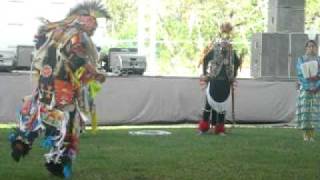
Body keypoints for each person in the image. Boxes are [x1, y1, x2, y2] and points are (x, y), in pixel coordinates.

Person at [8, 1, 110, 177]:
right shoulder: (76, 35)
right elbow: (77, 59)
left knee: (40, 111)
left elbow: (41, 43)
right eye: (93, 22)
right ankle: (56, 161)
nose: (95, 26)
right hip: (61, 87)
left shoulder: (59, 31)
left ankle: (23, 140)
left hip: (46, 83)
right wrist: (96, 73)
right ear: (84, 19)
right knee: (68, 123)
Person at [197, 22, 241, 135]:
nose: (225, 43)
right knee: (208, 105)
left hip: (226, 83)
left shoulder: (232, 53)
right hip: (214, 81)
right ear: (220, 41)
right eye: (223, 41)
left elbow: (237, 63)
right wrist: (205, 74)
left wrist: (233, 76)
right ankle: (203, 128)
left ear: (229, 42)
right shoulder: (214, 50)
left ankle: (220, 129)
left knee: (222, 108)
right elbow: (205, 59)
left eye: (227, 41)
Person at [296, 39, 320, 142]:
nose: (311, 48)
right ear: (306, 48)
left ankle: (312, 135)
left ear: (316, 48)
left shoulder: (319, 60)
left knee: (314, 112)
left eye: (313, 46)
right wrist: (308, 87)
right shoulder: (301, 59)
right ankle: (306, 135)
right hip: (305, 89)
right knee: (306, 112)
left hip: (317, 89)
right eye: (309, 46)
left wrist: (316, 86)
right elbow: (300, 74)